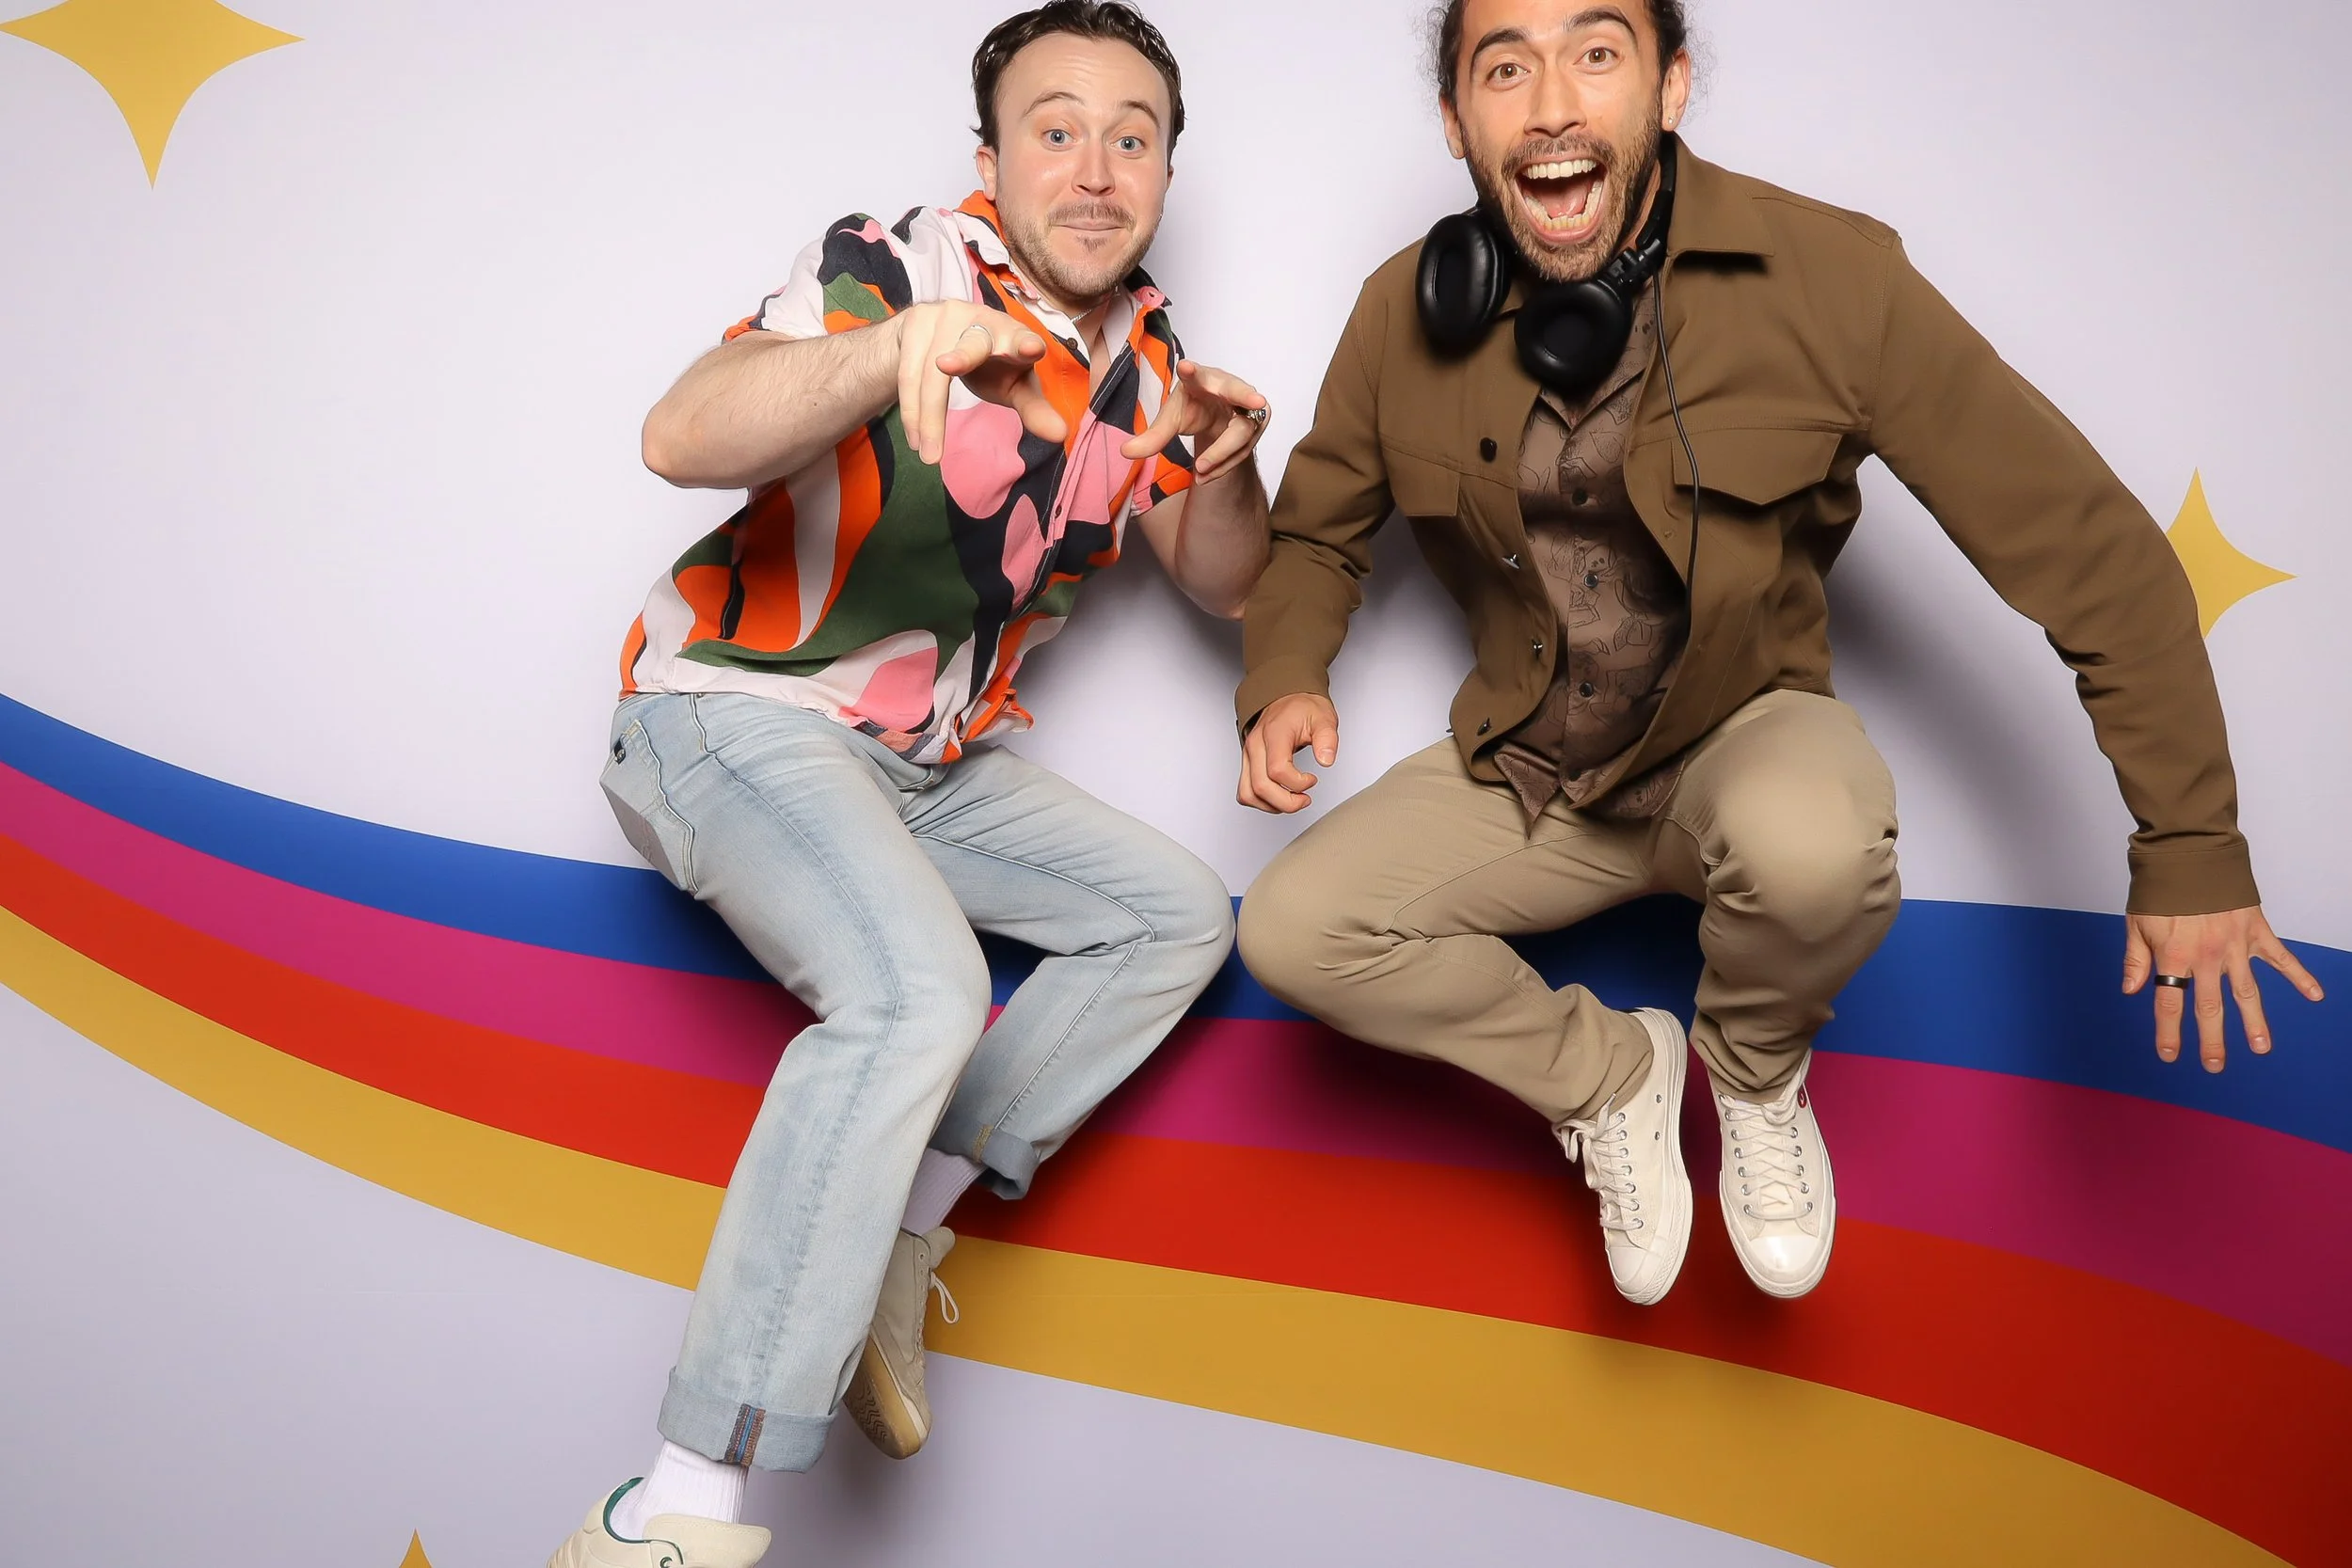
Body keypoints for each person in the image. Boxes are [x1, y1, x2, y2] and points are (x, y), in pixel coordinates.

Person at [1233, 0, 2321, 1311]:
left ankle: (1752, 1075)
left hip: (1743, 739)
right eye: (1504, 67)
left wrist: (2190, 844)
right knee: (1298, 929)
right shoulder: (1400, 312)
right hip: (1534, 767)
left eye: (1597, 53)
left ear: (1671, 86)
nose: (1554, 104)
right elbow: (1317, 532)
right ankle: (1614, 1080)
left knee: (1817, 848)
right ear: (1458, 119)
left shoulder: (1832, 277)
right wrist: (1286, 675)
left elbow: (2093, 551)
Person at [550, 6, 1272, 1563]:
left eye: (1133, 135)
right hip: (729, 712)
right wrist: (886, 350)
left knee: (1171, 916)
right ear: (992, 157)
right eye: (1057, 128)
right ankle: (672, 1511)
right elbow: (680, 432)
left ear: (1166, 168)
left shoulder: (1145, 359)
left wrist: (1225, 469)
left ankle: (894, 1234)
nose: (1097, 167)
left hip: (916, 763)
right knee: (916, 992)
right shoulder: (894, 264)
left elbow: (1222, 582)